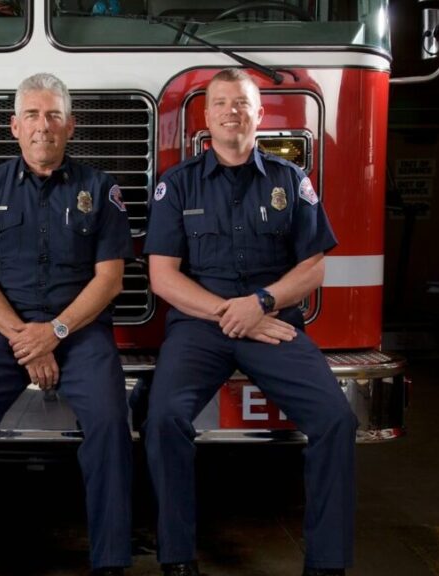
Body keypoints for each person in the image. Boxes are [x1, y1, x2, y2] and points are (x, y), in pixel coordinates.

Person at [142, 68, 357, 576]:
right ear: (206, 117)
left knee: (337, 420)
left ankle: (327, 563)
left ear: (260, 114)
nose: (231, 112)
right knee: (163, 418)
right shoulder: (176, 185)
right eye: (220, 103)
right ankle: (176, 558)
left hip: (274, 324)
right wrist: (232, 312)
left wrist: (259, 304)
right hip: (200, 328)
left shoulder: (291, 181)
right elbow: (162, 277)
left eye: (242, 103)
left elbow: (313, 266)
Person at [0, 72, 133, 576]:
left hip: (81, 330)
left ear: (71, 126)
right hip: (5, 332)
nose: (42, 126)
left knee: (112, 424)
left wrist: (56, 332)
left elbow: (109, 280)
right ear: (14, 127)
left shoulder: (101, 188)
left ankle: (111, 560)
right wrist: (26, 338)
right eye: (31, 115)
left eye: (52, 116)